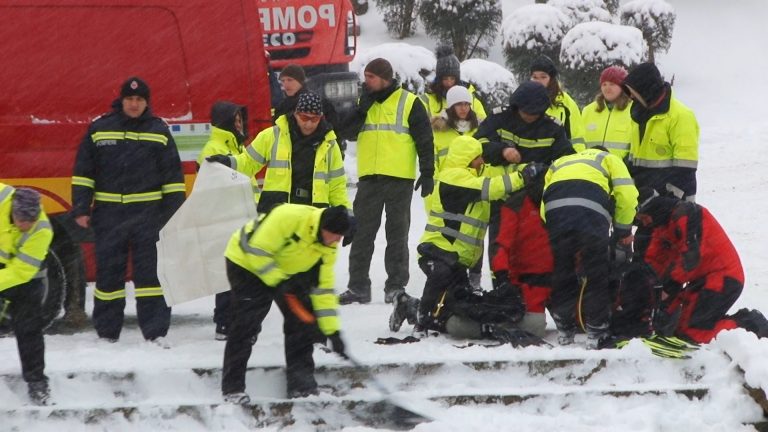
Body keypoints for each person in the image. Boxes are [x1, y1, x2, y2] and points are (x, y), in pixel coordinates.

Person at [388, 135, 543, 345]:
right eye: (477, 157)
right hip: (437, 250)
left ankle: (407, 304)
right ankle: (421, 324)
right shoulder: (453, 177)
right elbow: (491, 187)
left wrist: (534, 166)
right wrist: (523, 177)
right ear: (466, 158)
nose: (482, 161)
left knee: (451, 310)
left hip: (459, 259)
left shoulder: (476, 176)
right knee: (440, 275)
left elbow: (501, 175)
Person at [71, 77, 185, 344]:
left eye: (139, 100)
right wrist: (81, 207)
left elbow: (173, 178)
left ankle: (155, 333)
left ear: (147, 102)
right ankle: (107, 334)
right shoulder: (100, 129)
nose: (134, 104)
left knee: (151, 278)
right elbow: (83, 173)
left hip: (149, 217)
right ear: (121, 100)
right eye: (130, 99)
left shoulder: (159, 131)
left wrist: (173, 217)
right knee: (109, 277)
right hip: (109, 216)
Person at [221, 204, 353, 403]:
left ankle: (301, 386)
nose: (337, 240)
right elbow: (254, 249)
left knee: (301, 322)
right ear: (323, 227)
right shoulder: (289, 217)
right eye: (335, 235)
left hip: (285, 271)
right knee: (247, 324)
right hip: (246, 264)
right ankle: (232, 388)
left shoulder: (328, 247)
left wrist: (332, 332)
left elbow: (323, 291)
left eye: (341, 237)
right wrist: (280, 283)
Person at [337, 58, 435, 305]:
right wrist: (361, 109)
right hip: (369, 178)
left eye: (370, 77)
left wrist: (428, 171)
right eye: (365, 76)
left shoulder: (409, 102)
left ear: (384, 78)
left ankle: (395, 286)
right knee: (361, 234)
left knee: (397, 234)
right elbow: (345, 131)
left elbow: (424, 139)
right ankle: (358, 286)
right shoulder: (364, 102)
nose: (365, 81)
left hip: (399, 179)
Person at [473, 80, 573, 288]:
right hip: (501, 195)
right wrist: (501, 151)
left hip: (534, 201)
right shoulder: (499, 118)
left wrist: (542, 171)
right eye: (525, 111)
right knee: (500, 245)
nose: (529, 116)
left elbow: (566, 161)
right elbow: (476, 145)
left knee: (530, 248)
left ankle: (527, 289)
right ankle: (500, 289)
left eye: (534, 112)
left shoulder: (553, 128)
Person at [541, 147, 637, 349]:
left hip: (555, 209)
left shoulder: (561, 160)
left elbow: (544, 200)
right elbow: (627, 194)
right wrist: (622, 230)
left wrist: (556, 228)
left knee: (562, 269)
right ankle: (596, 328)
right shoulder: (609, 159)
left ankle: (564, 326)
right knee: (596, 271)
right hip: (591, 210)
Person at [207, 91, 350, 215]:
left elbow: (337, 187)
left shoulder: (330, 144)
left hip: (314, 215)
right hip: (276, 213)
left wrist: (345, 214)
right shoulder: (273, 135)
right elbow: (247, 163)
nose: (309, 124)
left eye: (315, 119)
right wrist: (228, 162)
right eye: (304, 118)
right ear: (296, 114)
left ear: (321, 117)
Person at [634, 188, 744, 343]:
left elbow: (691, 258)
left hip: (724, 278)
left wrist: (668, 287)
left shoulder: (687, 214)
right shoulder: (661, 226)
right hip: (700, 279)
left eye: (644, 218)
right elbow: (655, 261)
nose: (643, 223)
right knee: (675, 326)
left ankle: (747, 325)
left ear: (654, 210)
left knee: (692, 335)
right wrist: (644, 286)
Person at [196, 101, 256, 340]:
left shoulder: (236, 148)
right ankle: (224, 323)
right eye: (235, 120)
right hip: (225, 219)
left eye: (241, 119)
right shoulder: (214, 148)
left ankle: (232, 321)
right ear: (225, 122)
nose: (240, 123)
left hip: (240, 217)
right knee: (228, 275)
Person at [0, 186, 53, 405]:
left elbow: (21, 272)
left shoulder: (42, 230)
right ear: (13, 209)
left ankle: (37, 382)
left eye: (29, 222)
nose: (25, 226)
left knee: (29, 329)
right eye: (21, 220)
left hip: (27, 281)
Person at [429, 85, 485, 288]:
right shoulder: (440, 131)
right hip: (449, 189)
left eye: (466, 104)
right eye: (459, 104)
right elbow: (434, 159)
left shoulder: (479, 128)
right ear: (451, 107)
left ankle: (475, 277)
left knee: (475, 232)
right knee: (450, 233)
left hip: (473, 185)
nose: (463, 108)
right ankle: (453, 273)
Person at [490, 172, 553, 338]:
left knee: (582, 322)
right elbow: (502, 245)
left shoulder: (558, 201)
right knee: (534, 327)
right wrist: (503, 278)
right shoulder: (516, 205)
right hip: (528, 284)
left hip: (558, 282)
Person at [529, 55, 585, 150]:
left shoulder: (565, 102)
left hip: (559, 161)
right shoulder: (522, 101)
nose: (538, 81)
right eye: (535, 77)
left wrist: (576, 161)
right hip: (528, 161)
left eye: (543, 77)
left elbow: (577, 138)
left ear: (551, 78)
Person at [272, 64, 340, 139]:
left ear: (300, 81)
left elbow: (334, 130)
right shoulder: (282, 106)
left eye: (290, 80)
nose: (286, 84)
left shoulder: (318, 102)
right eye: (283, 81)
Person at [421, 45, 486, 119]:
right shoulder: (426, 100)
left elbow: (484, 125)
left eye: (452, 79)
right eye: (445, 79)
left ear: (457, 79)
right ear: (439, 79)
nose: (449, 83)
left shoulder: (470, 98)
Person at [581, 66, 632, 158]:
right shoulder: (588, 110)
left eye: (612, 84)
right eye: (604, 84)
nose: (607, 88)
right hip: (590, 168)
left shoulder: (633, 110)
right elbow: (579, 141)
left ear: (623, 87)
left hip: (621, 169)